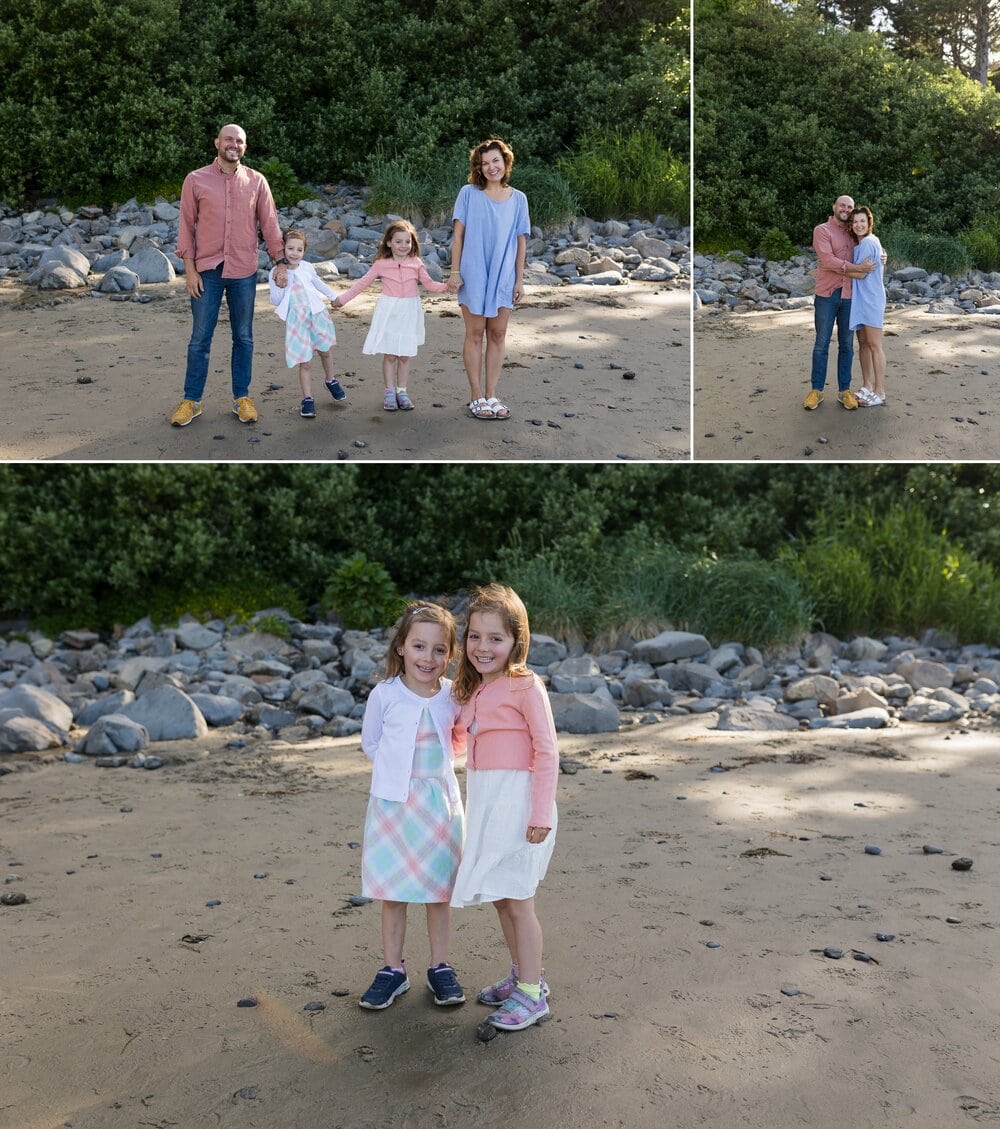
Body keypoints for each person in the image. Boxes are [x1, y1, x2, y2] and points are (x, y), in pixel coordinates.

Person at [450, 583, 558, 1032]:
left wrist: (540, 814)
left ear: (516, 640)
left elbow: (547, 751)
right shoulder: (473, 691)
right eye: (475, 636)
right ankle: (521, 974)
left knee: (519, 901)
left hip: (518, 805)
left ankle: (533, 995)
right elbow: (455, 739)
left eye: (495, 638)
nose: (483, 647)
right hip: (486, 804)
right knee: (500, 899)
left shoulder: (525, 686)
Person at [358, 602, 467, 1011]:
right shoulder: (385, 694)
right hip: (393, 806)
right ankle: (392, 970)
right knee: (394, 893)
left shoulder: (452, 695)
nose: (428, 657)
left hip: (438, 805)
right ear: (401, 647)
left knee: (439, 893)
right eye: (419, 646)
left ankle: (440, 965)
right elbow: (372, 743)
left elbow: (459, 740)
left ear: (450, 655)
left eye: (439, 650)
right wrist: (397, 777)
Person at [171, 123, 286, 428]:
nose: (234, 144)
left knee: (244, 337)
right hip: (206, 272)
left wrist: (281, 262)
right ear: (217, 143)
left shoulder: (257, 181)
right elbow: (186, 227)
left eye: (240, 141)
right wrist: (190, 271)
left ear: (244, 147)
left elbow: (270, 224)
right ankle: (191, 401)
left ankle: (242, 398)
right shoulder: (195, 180)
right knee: (200, 338)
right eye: (229, 139)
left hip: (243, 271)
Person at [446, 139, 530, 421]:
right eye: (485, 163)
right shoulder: (468, 193)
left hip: (504, 274)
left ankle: (492, 394)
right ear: (478, 168)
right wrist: (455, 271)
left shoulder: (519, 199)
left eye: (496, 161)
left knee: (497, 334)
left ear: (505, 162)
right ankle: (476, 395)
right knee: (475, 334)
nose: (491, 167)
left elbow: (521, 242)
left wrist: (520, 280)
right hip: (473, 272)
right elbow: (458, 236)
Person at [332, 220, 447, 411]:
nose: (403, 246)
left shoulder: (416, 263)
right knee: (391, 354)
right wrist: (342, 299)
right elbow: (362, 283)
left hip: (410, 311)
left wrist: (447, 287)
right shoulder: (381, 264)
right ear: (388, 243)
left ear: (413, 243)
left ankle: (402, 391)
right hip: (389, 311)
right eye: (399, 242)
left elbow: (429, 285)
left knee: (405, 355)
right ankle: (389, 392)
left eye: (407, 242)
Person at [806, 194, 877, 412]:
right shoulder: (822, 231)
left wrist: (882, 254)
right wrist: (857, 269)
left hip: (849, 297)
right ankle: (816, 390)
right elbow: (827, 261)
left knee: (847, 345)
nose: (846, 209)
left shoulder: (853, 232)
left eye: (850, 207)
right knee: (821, 343)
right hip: (827, 295)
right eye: (843, 205)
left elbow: (871, 243)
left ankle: (844, 390)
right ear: (834, 207)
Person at [267, 228, 347, 418]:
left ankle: (331, 380)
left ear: (304, 251)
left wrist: (333, 296)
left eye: (299, 249)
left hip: (317, 315)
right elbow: (276, 300)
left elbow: (319, 284)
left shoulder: (307, 267)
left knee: (325, 352)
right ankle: (308, 398)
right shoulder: (276, 272)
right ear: (283, 249)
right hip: (298, 322)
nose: (294, 253)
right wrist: (280, 283)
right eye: (290, 248)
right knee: (306, 362)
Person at [848, 206, 887, 407]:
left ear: (869, 222)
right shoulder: (863, 244)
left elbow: (862, 273)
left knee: (874, 346)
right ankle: (867, 385)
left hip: (871, 300)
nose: (858, 225)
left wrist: (837, 269)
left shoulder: (870, 241)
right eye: (855, 222)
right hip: (860, 301)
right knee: (863, 344)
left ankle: (880, 391)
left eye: (862, 221)